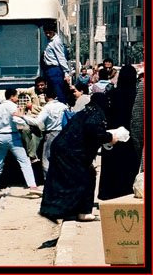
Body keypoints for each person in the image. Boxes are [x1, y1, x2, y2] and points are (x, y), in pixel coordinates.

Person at [40, 93, 118, 221]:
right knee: (85, 178)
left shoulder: (87, 111)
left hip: (64, 150)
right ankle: (83, 212)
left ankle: (61, 210)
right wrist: (110, 137)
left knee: (69, 181)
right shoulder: (96, 114)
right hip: (70, 153)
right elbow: (92, 130)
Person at [0, 88, 43, 200]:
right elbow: (18, 120)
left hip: (0, 136)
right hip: (13, 136)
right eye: (17, 96)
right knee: (24, 161)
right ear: (12, 97)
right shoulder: (12, 106)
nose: (18, 98)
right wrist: (25, 120)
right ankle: (33, 186)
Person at [98, 64, 140, 201]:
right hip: (130, 137)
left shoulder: (112, 94)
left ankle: (108, 193)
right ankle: (126, 192)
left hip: (112, 135)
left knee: (111, 166)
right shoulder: (136, 95)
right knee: (129, 167)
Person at [25, 86, 68, 177]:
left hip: (51, 135)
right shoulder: (63, 106)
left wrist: (22, 116)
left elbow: (37, 122)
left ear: (46, 96)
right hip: (63, 134)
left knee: (46, 158)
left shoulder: (47, 108)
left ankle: (48, 179)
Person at [17, 77, 47, 163]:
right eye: (38, 85)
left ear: (45, 85)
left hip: (41, 118)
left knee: (37, 131)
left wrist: (32, 107)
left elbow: (46, 109)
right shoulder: (32, 90)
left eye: (42, 85)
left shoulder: (49, 93)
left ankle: (31, 155)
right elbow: (19, 90)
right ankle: (32, 155)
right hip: (30, 117)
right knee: (25, 130)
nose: (40, 87)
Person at [41, 23, 71, 104]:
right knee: (51, 93)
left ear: (53, 32)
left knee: (58, 91)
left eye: (49, 33)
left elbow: (61, 57)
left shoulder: (56, 42)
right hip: (48, 69)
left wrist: (66, 72)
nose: (47, 34)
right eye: (46, 33)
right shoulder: (48, 40)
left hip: (55, 69)